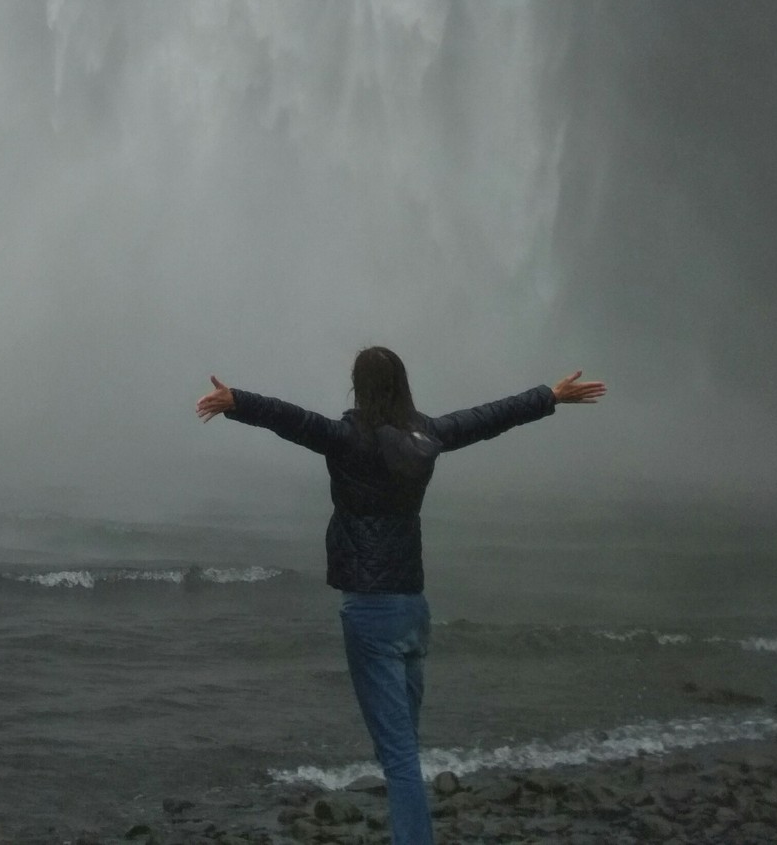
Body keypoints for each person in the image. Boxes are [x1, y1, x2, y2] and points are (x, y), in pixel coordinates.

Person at [195, 351, 605, 845]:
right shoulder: (427, 436)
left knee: (399, 758)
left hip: (370, 611)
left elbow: (291, 419)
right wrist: (550, 395)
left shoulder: (346, 439)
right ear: (402, 385)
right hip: (413, 609)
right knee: (401, 747)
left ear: (358, 387)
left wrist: (236, 401)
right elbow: (488, 418)